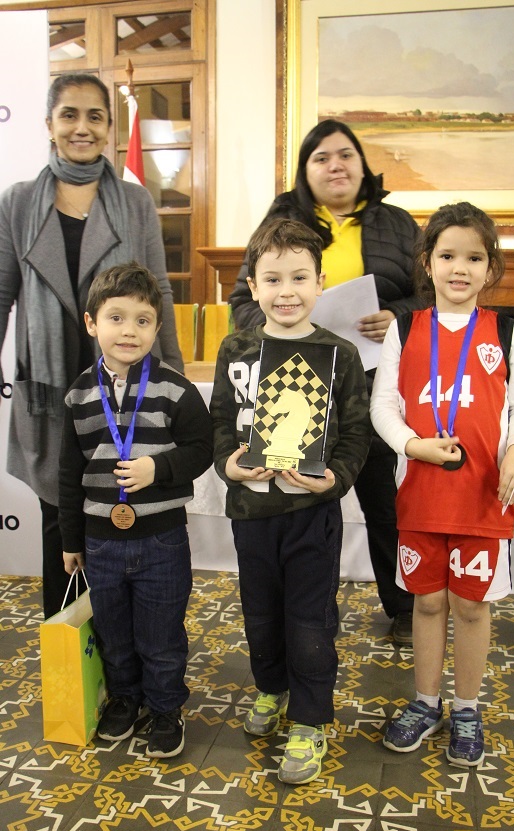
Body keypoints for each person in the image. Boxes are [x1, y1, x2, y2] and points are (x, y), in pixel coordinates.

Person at [229, 119, 421, 646]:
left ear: (362, 164)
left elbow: (428, 295)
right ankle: (296, 614)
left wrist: (397, 316)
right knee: (298, 498)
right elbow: (243, 302)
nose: (335, 165)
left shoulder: (396, 223)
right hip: (294, 386)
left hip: (376, 380)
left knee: (383, 498)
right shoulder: (280, 223)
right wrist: (286, 326)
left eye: (345, 155)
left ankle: (403, 607)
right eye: (321, 157)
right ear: (305, 170)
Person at [0, 72, 183, 620]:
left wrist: (172, 374)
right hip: (50, 387)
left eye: (95, 116)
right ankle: (66, 643)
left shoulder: (134, 201)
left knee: (123, 508)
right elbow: (2, 291)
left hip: (125, 384)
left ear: (109, 128)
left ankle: (122, 646)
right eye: (69, 115)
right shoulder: (17, 202)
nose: (82, 127)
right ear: (49, 124)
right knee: (61, 518)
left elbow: (159, 289)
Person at [370, 202, 514, 766]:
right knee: (427, 602)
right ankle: (425, 702)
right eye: (447, 256)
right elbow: (384, 406)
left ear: (490, 267)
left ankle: (467, 707)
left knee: (469, 607)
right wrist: (412, 445)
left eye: (474, 258)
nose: (460, 268)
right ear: (427, 263)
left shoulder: (506, 331)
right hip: (422, 494)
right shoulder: (406, 329)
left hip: (484, 497)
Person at [211, 218, 371, 784]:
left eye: (300, 277)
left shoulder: (340, 354)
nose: (286, 292)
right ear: (252, 286)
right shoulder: (236, 348)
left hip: (311, 517)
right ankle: (271, 689)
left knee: (309, 621)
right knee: (260, 615)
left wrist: (335, 478)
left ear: (321, 282)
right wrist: (228, 464)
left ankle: (310, 719)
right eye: (273, 279)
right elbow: (220, 421)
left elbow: (356, 435)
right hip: (251, 516)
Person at [58, 262, 212, 758]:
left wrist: (158, 468)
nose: (129, 331)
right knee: (113, 632)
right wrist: (71, 540)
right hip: (101, 542)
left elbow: (202, 449)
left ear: (157, 327)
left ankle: (165, 707)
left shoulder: (175, 389)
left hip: (161, 540)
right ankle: (125, 698)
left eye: (142, 320)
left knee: (161, 634)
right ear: (91, 323)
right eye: (116, 318)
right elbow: (69, 475)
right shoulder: (79, 395)